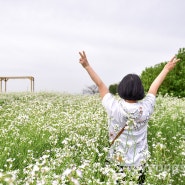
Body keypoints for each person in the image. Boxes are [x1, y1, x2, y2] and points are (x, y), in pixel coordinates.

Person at [78, 51, 180, 184]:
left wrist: (87, 66)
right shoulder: (146, 107)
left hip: (116, 161)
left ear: (121, 89)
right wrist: (166, 69)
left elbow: (101, 85)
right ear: (140, 91)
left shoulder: (114, 106)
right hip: (139, 163)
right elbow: (154, 87)